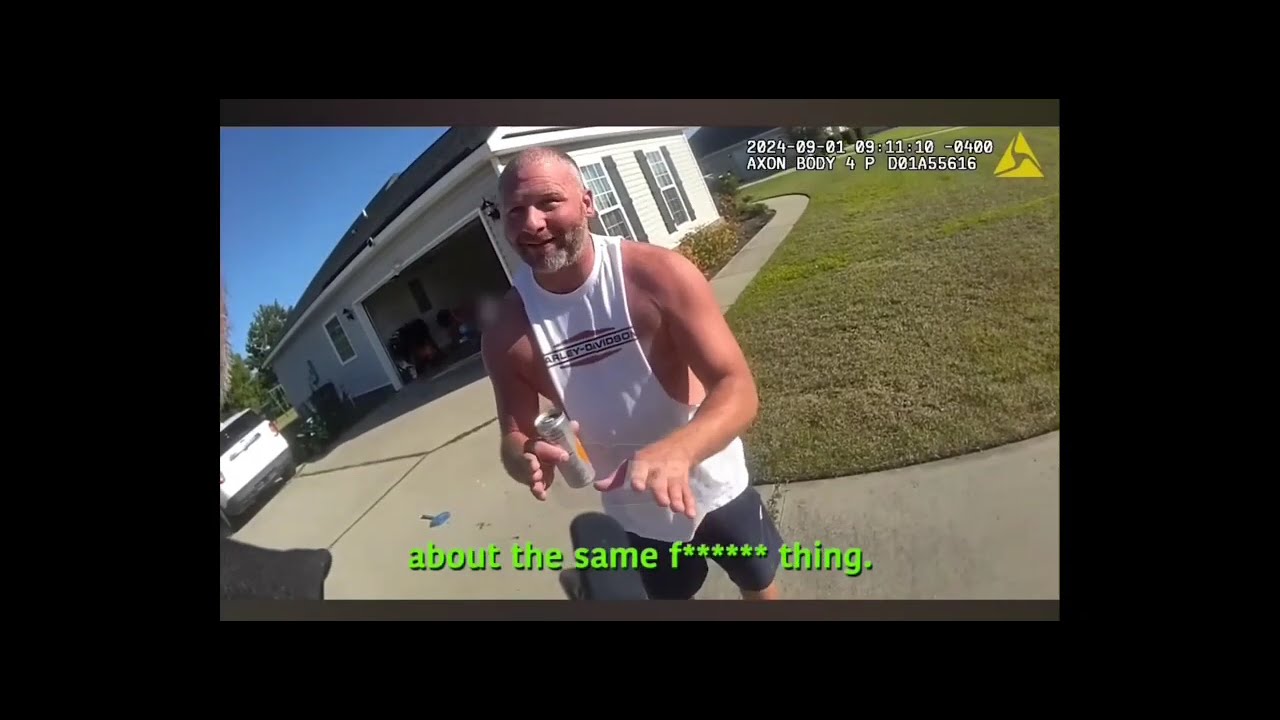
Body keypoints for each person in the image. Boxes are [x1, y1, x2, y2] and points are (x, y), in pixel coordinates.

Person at [481, 147, 784, 600]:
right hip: (632, 512)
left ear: (587, 203)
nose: (532, 223)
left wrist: (682, 450)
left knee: (759, 585)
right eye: (515, 211)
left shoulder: (658, 275)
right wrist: (523, 459)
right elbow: (513, 435)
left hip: (714, 480)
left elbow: (736, 387)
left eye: (548, 202)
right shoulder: (507, 331)